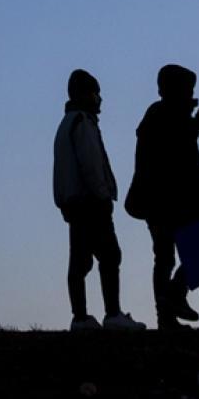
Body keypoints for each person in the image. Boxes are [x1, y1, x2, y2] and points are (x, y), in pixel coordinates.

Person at [53, 69, 146, 331]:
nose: (100, 99)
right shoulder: (82, 122)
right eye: (96, 93)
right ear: (85, 94)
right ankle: (112, 314)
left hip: (74, 203)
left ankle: (80, 317)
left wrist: (62, 201)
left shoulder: (66, 125)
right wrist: (103, 194)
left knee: (80, 260)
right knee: (109, 255)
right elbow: (91, 164)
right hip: (90, 201)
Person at [126, 64, 199, 330]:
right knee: (197, 251)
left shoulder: (158, 116)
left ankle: (166, 314)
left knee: (165, 257)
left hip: (157, 201)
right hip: (174, 201)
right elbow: (183, 162)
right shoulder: (171, 117)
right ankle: (174, 297)